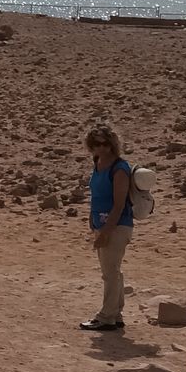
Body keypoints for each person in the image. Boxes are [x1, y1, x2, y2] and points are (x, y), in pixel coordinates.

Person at [79, 125, 135, 331]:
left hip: (116, 225)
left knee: (110, 272)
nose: (100, 148)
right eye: (95, 144)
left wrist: (106, 231)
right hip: (101, 223)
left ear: (112, 144)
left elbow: (119, 205)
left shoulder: (119, 168)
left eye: (104, 144)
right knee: (112, 271)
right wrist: (92, 219)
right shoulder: (98, 163)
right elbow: (96, 196)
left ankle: (106, 317)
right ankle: (116, 313)